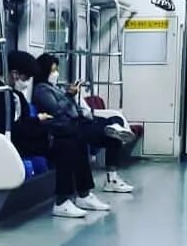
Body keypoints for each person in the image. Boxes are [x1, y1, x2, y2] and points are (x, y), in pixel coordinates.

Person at [0, 51, 109, 219]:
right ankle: (61, 202)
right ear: (15, 74)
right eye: (26, 78)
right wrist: (37, 123)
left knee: (76, 139)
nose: (27, 82)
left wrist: (37, 122)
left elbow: (21, 122)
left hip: (22, 137)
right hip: (8, 144)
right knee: (65, 144)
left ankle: (84, 194)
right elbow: (6, 129)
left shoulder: (11, 92)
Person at [35, 53, 135, 194]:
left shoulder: (55, 88)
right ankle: (105, 182)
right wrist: (69, 95)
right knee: (108, 135)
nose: (55, 73)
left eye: (56, 70)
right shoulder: (42, 90)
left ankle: (112, 177)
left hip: (79, 120)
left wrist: (76, 102)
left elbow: (70, 106)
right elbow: (57, 110)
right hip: (71, 125)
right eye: (53, 70)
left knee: (115, 126)